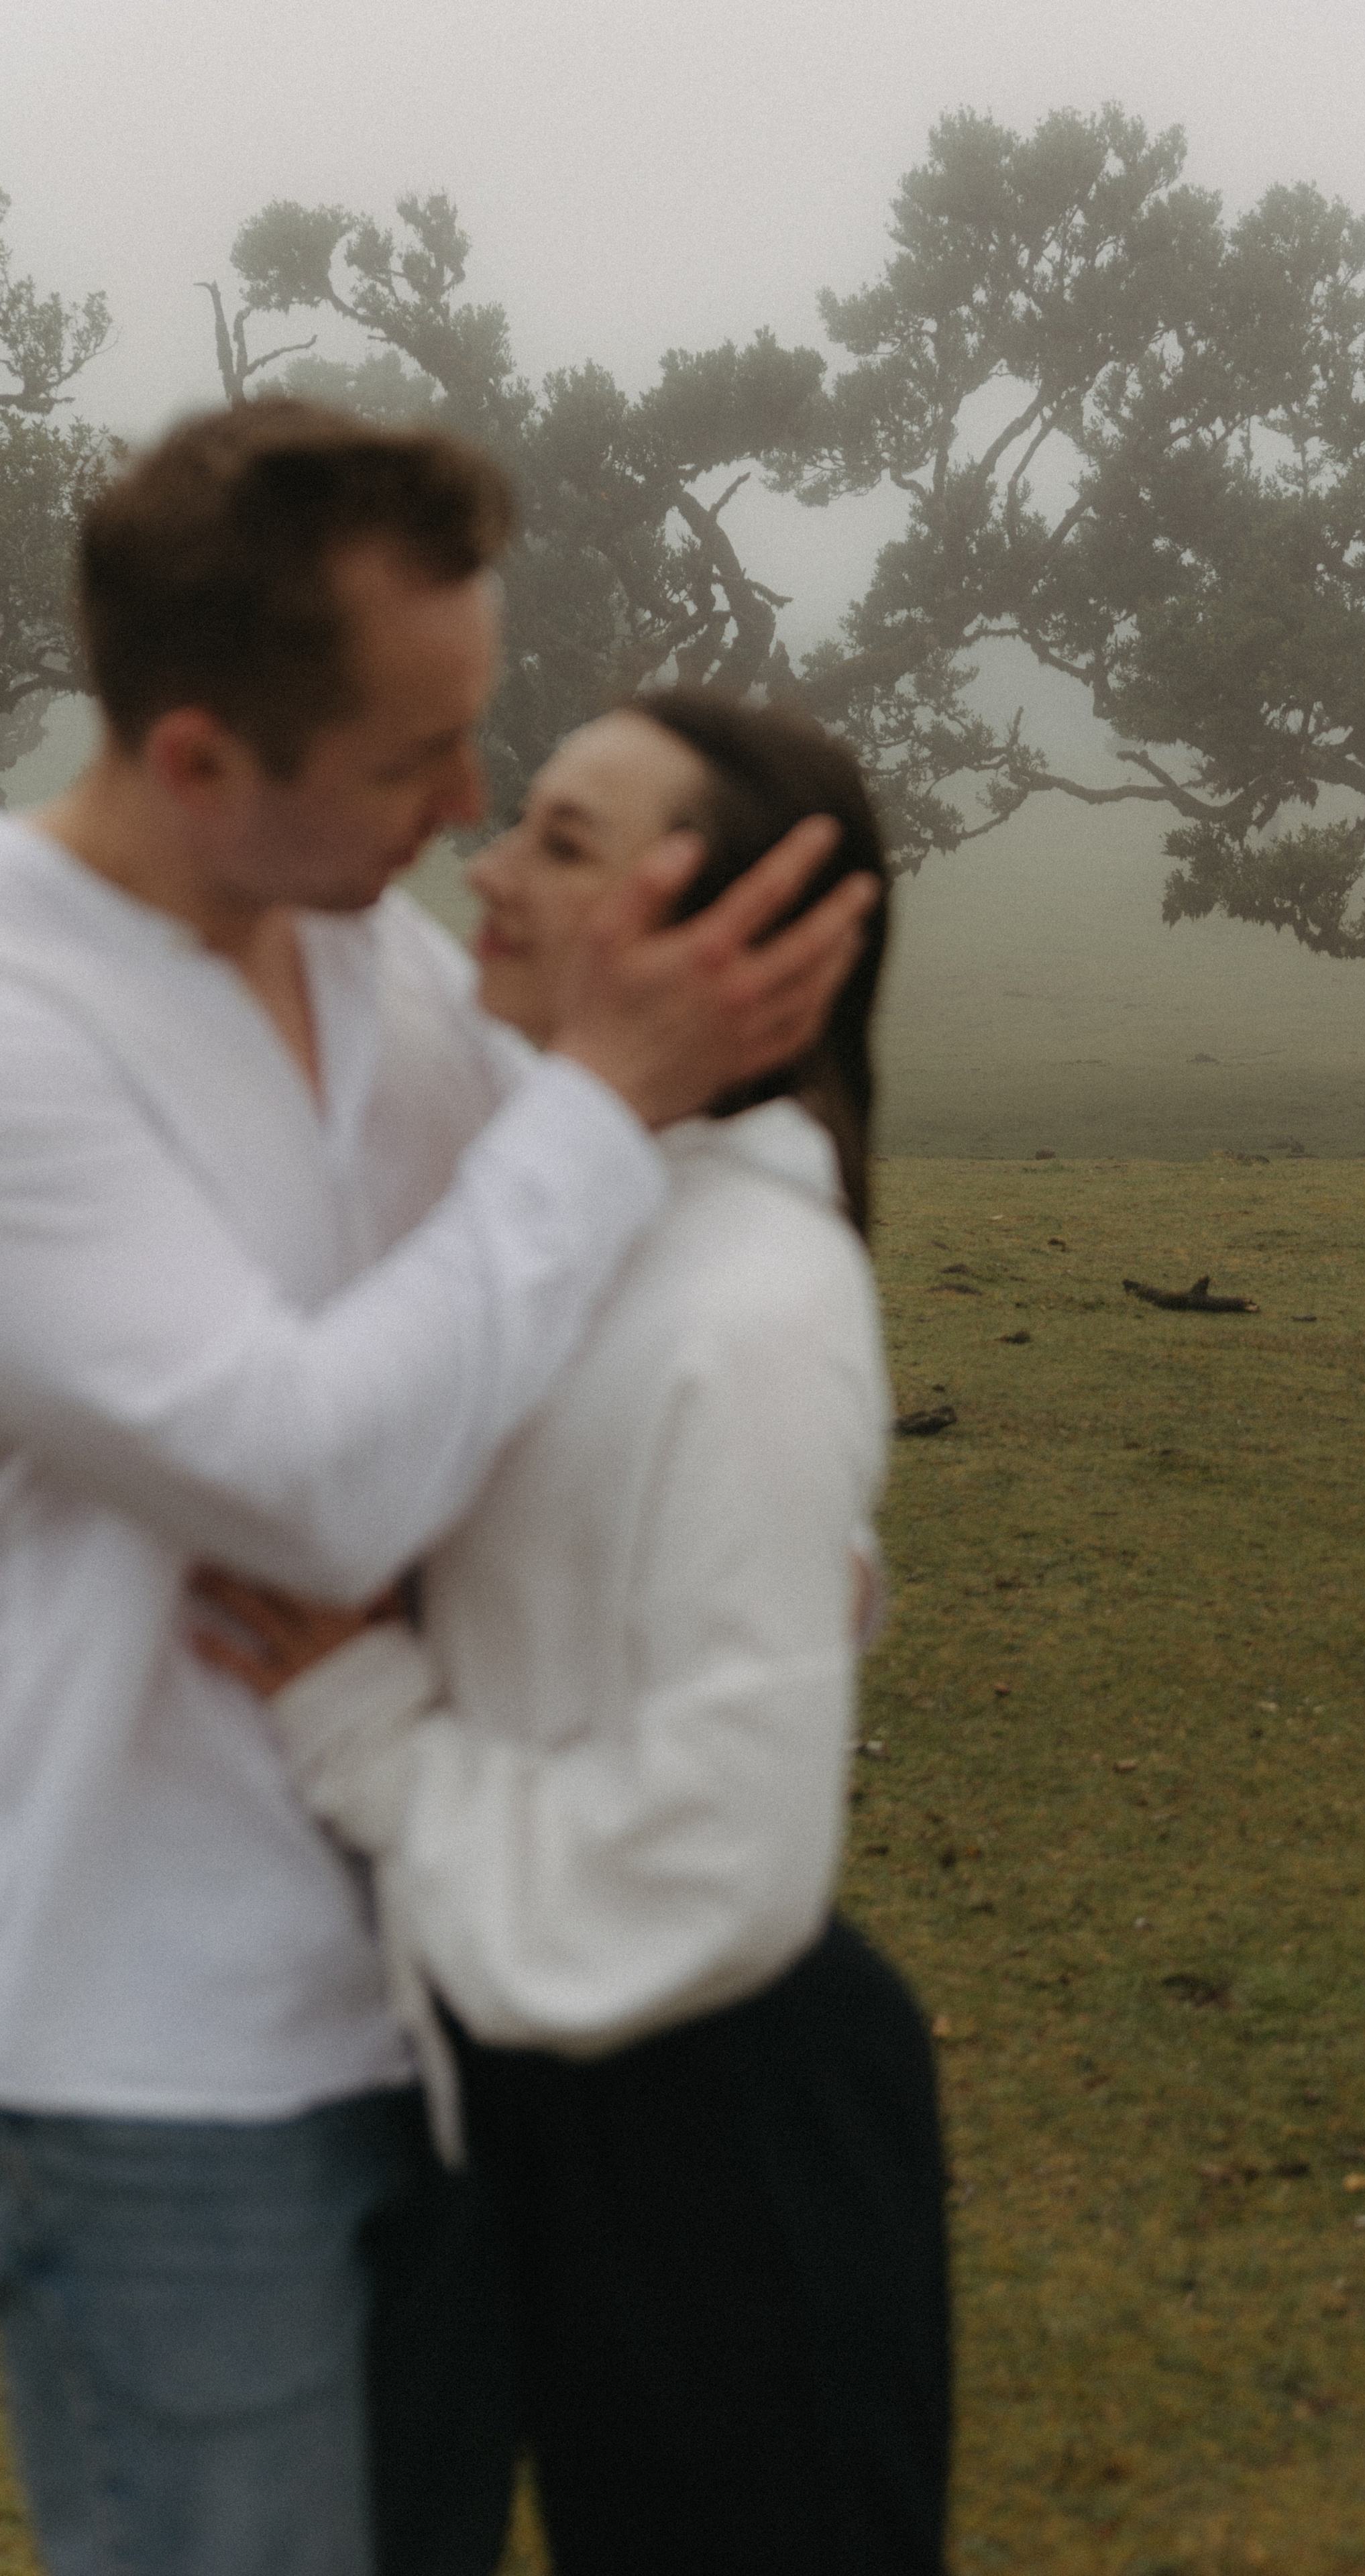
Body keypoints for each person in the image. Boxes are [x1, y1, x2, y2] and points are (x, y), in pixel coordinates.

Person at [0, 405, 874, 2576]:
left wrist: (734, 1516)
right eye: (416, 760)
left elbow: (579, 1290)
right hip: (157, 2051)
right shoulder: (24, 1031)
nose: (464, 811)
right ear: (200, 762)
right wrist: (600, 1090)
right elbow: (307, 1476)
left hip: (455, 1991)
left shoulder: (361, 945)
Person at [195, 690, 951, 2576]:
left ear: (735, 925)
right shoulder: (586, 1203)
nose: (488, 868)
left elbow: (714, 1864)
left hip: (710, 2110)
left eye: (561, 841)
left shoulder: (752, 1301)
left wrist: (364, 1720)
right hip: (490, 2075)